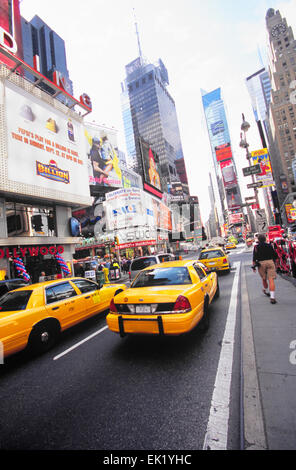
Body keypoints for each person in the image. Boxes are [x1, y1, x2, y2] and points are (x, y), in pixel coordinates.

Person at [252, 233, 278, 304]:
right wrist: (276, 263)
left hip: (261, 264)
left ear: (258, 240)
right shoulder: (269, 245)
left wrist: (253, 267)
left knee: (264, 278)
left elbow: (254, 258)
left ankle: (265, 289)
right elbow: (275, 255)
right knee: (271, 280)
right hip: (270, 262)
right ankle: (272, 297)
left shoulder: (256, 247)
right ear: (265, 239)